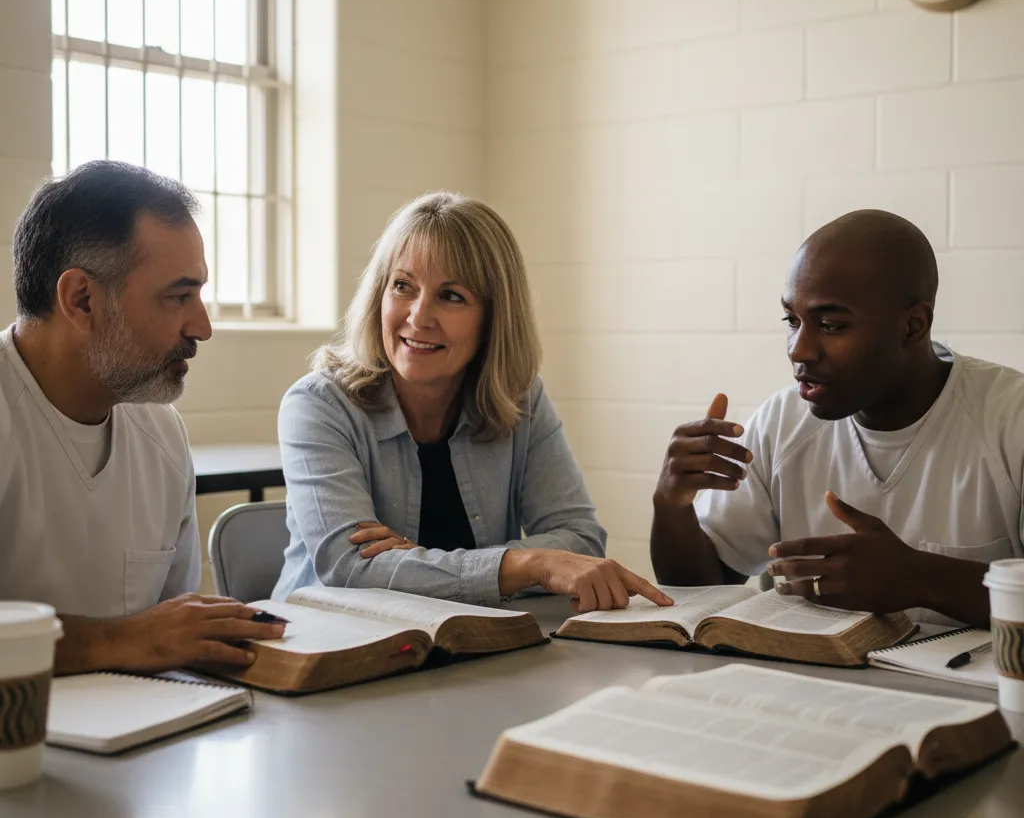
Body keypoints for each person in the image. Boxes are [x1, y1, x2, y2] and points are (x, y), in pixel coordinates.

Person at [273, 191, 672, 613]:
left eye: (451, 296)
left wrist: (412, 563)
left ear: (495, 318)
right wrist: (528, 563)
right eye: (403, 286)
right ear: (379, 295)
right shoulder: (318, 404)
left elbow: (580, 538)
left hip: (467, 646)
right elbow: (350, 569)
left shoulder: (520, 398)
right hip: (330, 647)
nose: (418, 316)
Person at [650, 209, 1024, 627]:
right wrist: (671, 504)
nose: (798, 349)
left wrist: (920, 578)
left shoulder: (1011, 418)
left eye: (830, 325)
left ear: (913, 326)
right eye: (792, 321)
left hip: (977, 690)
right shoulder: (781, 420)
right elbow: (701, 588)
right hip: (810, 688)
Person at [1, 160, 285, 673]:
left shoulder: (160, 431)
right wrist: (121, 642)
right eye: (179, 296)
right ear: (81, 299)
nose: (202, 327)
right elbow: (149, 638)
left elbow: (174, 636)